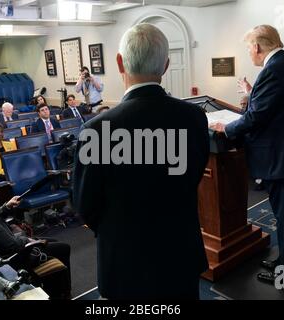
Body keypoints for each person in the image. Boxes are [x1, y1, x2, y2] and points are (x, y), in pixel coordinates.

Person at [73, 23, 210, 299]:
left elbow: (85, 205)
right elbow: (194, 176)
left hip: (125, 263)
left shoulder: (97, 130)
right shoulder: (194, 117)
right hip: (180, 254)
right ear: (166, 65)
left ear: (120, 63)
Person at [210, 25, 284, 285]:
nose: (249, 53)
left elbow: (257, 116)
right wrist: (251, 92)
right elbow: (276, 106)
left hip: (283, 159)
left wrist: (227, 127)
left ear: (257, 47)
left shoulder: (275, 69)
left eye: (248, 48)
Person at [0, 172, 71, 299]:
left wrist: (6, 207)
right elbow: (13, 245)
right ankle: (64, 293)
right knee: (64, 248)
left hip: (8, 247)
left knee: (53, 241)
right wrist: (27, 238)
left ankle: (58, 285)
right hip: (15, 257)